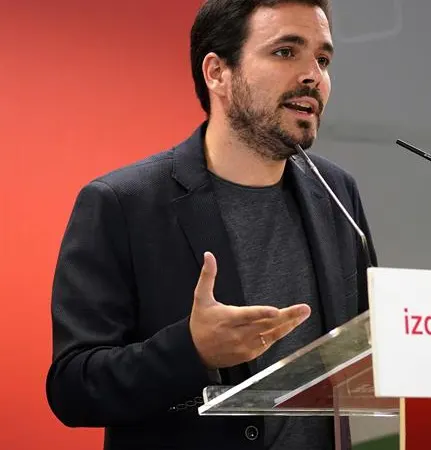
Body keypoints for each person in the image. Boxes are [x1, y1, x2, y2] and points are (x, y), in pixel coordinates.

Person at [45, 0, 377, 449]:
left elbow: (367, 346)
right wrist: (190, 349)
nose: (312, 76)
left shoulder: (337, 194)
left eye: (323, 59)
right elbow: (72, 387)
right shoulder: (122, 204)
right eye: (285, 52)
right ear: (217, 72)